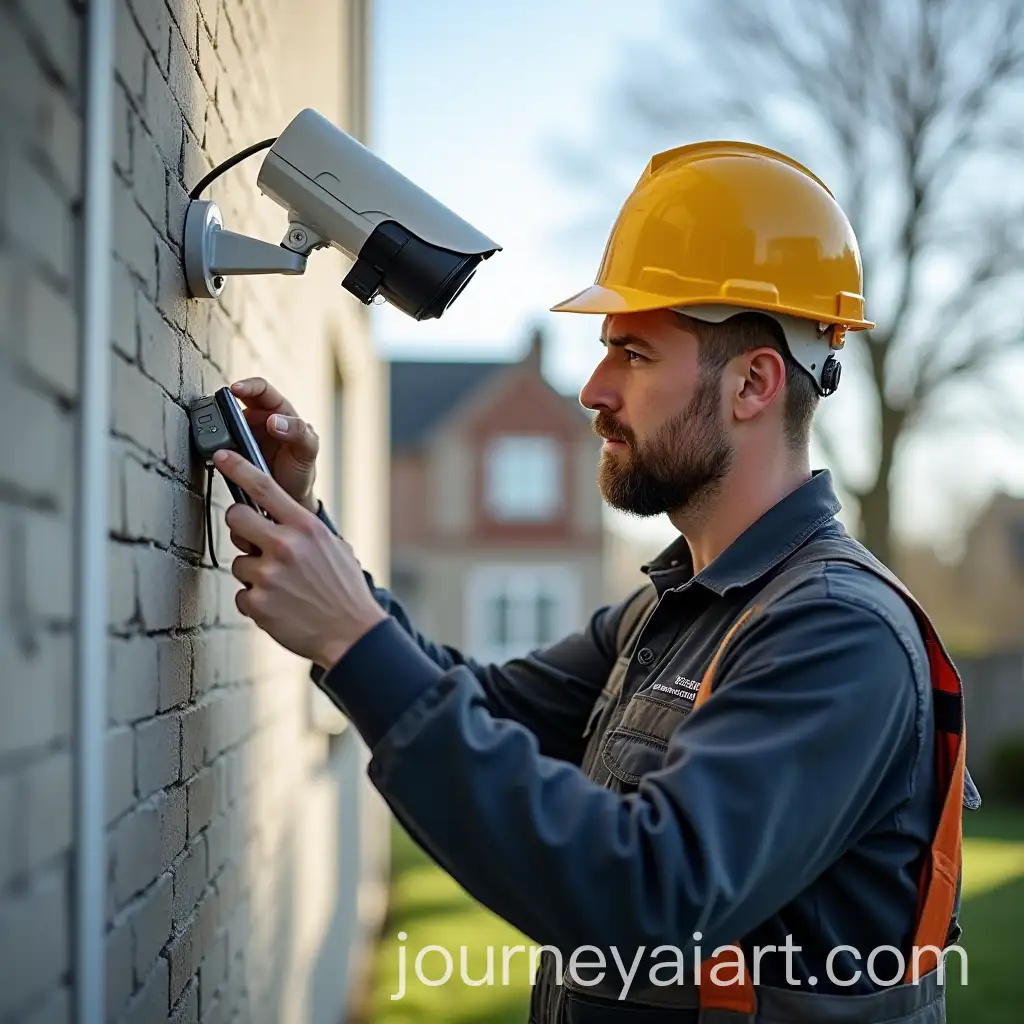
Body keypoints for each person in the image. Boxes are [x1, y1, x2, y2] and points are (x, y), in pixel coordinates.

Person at [212, 141, 979, 1023]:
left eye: (634, 353)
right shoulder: (676, 608)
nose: (591, 387)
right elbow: (477, 703)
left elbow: (646, 900)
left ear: (754, 384)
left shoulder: (839, 634)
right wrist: (307, 526)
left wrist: (353, 640)